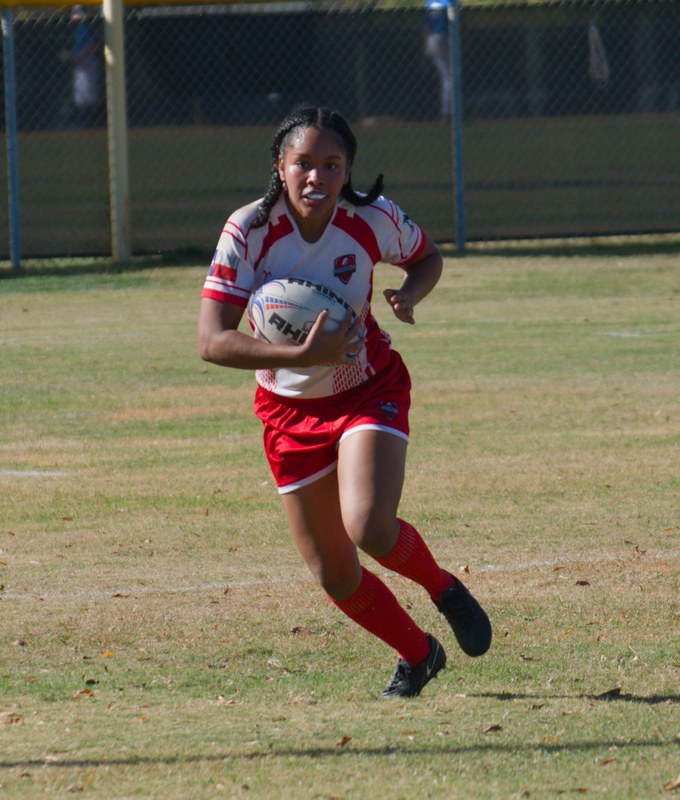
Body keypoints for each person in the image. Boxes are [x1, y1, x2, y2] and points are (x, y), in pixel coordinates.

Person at [198, 106, 491, 699]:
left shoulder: (372, 218)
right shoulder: (249, 229)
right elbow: (211, 340)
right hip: (288, 411)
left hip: (366, 388)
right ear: (280, 165)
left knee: (369, 526)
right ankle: (419, 654)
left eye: (331, 165)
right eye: (303, 163)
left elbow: (427, 257)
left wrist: (410, 293)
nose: (317, 177)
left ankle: (443, 587)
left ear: (348, 170)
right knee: (334, 572)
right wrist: (301, 355)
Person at [65, 5, 104, 128]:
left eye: (76, 13)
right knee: (81, 96)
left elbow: (92, 45)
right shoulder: (80, 28)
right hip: (83, 65)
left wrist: (79, 57)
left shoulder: (84, 28)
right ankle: (86, 123)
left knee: (89, 96)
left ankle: (93, 124)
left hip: (88, 63)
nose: (73, 16)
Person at [424, 0, 453, 120]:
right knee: (448, 77)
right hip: (444, 38)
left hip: (432, 40)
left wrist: (426, 46)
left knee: (445, 76)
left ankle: (446, 112)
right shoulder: (449, 2)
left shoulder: (430, 3)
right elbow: (455, 22)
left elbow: (426, 28)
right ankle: (447, 112)